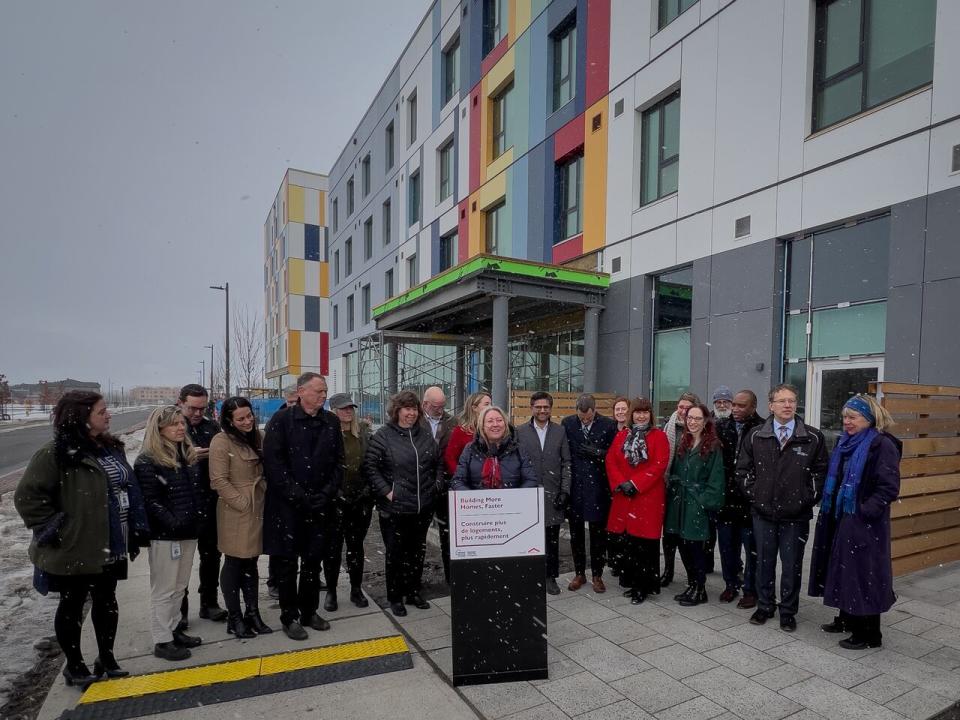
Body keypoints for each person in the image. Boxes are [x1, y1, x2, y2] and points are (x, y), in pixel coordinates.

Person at [15, 391, 149, 688]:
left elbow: (126, 486)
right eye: (102, 411)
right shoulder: (54, 454)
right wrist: (60, 528)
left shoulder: (109, 448)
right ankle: (74, 666)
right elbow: (28, 498)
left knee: (107, 601)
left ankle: (107, 658)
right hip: (74, 547)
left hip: (111, 541)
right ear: (81, 416)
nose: (108, 415)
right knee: (72, 605)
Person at [809, 395, 900, 649]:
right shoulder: (845, 442)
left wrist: (863, 511)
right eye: (844, 417)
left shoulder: (881, 445)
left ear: (868, 419)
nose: (846, 422)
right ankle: (846, 618)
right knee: (842, 569)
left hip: (865, 523)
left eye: (852, 417)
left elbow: (888, 487)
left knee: (864, 574)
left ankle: (869, 634)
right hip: (840, 517)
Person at [737, 383, 828, 632]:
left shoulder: (812, 437)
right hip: (763, 514)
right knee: (763, 563)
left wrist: (806, 498)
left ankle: (788, 611)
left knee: (791, 566)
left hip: (796, 516)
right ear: (771, 405)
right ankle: (765, 606)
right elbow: (743, 471)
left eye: (791, 401)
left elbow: (821, 473)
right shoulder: (756, 435)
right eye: (782, 401)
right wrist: (756, 496)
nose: (787, 405)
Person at [263, 372, 344, 641]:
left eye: (325, 391)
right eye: (319, 391)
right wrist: (299, 496)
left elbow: (338, 463)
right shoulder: (281, 421)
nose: (323, 396)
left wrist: (325, 493)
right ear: (301, 392)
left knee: (313, 562)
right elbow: (274, 465)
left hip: (321, 506)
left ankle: (309, 611)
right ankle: (290, 616)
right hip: (288, 508)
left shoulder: (330, 422)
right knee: (287, 564)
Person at [364, 390, 442, 617]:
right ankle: (395, 596)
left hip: (422, 506)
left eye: (414, 409)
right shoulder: (384, 436)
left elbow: (437, 463)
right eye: (407, 408)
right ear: (397, 410)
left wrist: (436, 485)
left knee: (417, 552)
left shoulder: (424, 435)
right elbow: (371, 467)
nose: (411, 413)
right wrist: (387, 492)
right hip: (395, 508)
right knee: (395, 554)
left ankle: (413, 591)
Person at [136, 406, 204, 661]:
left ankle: (174, 629)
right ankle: (162, 639)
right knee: (164, 589)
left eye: (181, 423)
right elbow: (150, 501)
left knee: (179, 586)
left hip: (188, 531)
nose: (180, 428)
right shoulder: (148, 460)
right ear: (159, 429)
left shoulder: (185, 455)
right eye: (173, 424)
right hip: (166, 536)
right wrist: (173, 523)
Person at [209, 396, 270, 640]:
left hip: (258, 505)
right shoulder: (221, 441)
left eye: (249, 416)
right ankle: (235, 617)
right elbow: (219, 480)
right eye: (241, 418)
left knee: (251, 562)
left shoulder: (258, 437)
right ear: (229, 421)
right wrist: (242, 503)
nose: (247, 421)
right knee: (234, 562)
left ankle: (252, 612)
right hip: (237, 510)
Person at [605, 398, 669, 605]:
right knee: (629, 543)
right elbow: (611, 460)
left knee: (645, 545)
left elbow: (660, 465)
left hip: (647, 497)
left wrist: (635, 483)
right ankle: (631, 582)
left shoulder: (659, 436)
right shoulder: (623, 435)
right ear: (631, 414)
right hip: (626, 496)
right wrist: (622, 483)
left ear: (650, 414)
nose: (641, 416)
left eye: (645, 412)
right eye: (638, 412)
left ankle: (644, 586)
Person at [664, 404, 725, 606]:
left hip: (696, 503)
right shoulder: (685, 441)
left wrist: (703, 502)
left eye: (697, 418)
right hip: (679, 501)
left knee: (696, 547)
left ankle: (700, 588)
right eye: (690, 418)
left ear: (706, 421)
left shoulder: (713, 445)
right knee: (682, 544)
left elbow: (717, 480)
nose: (692, 422)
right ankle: (691, 584)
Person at [176, 384, 226, 627]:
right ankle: (180, 611)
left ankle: (209, 602)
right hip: (181, 506)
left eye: (202, 408)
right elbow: (153, 463)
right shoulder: (170, 427)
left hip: (209, 503)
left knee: (211, 558)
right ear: (180, 403)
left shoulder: (211, 427)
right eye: (192, 408)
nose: (197, 413)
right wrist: (186, 457)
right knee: (181, 564)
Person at [516, 391, 572, 595]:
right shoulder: (520, 431)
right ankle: (531, 576)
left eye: (545, 407)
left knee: (552, 539)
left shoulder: (560, 431)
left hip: (553, 493)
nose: (542, 410)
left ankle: (550, 577)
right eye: (538, 407)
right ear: (532, 408)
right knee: (529, 538)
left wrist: (565, 491)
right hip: (528, 494)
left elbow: (566, 462)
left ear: (550, 409)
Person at [562, 394, 618, 593]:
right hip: (576, 486)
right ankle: (579, 573)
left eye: (588, 417)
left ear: (594, 411)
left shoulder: (608, 425)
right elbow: (564, 452)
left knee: (598, 533)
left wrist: (598, 453)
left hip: (599, 487)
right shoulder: (568, 423)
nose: (584, 421)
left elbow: (615, 454)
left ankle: (597, 575)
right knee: (576, 533)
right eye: (581, 417)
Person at [715, 390, 765, 608]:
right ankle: (730, 584)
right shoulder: (721, 427)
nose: (735, 408)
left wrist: (753, 491)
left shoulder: (762, 429)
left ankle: (750, 589)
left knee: (752, 548)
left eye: (741, 405)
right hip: (726, 499)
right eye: (733, 404)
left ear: (753, 407)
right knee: (727, 546)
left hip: (749, 500)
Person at [326, 393, 374, 609]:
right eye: (343, 408)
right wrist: (335, 494)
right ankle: (331, 592)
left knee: (356, 547)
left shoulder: (362, 434)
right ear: (334, 410)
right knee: (333, 549)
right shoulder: (327, 434)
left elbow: (370, 464)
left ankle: (356, 589)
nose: (348, 411)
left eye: (350, 408)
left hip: (359, 500)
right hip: (335, 501)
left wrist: (365, 493)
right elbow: (322, 468)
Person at [659, 392, 700, 587]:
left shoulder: (699, 429)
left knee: (687, 536)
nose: (683, 411)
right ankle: (668, 571)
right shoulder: (668, 426)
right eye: (680, 407)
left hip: (689, 489)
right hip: (670, 486)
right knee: (669, 533)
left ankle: (695, 578)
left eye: (687, 408)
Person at [450, 406, 539, 490]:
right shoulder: (470, 449)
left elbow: (530, 480)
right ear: (482, 426)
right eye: (490, 421)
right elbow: (458, 481)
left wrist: (514, 497)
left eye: (499, 420)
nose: (495, 424)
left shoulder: (518, 449)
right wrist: (474, 500)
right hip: (479, 504)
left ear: (505, 424)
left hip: (512, 503)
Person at [265, 385, 300, 601]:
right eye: (292, 402)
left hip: (302, 492)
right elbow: (273, 460)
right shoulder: (278, 421)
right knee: (281, 544)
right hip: (283, 492)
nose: (294, 406)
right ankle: (274, 581)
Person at [421, 386, 456, 584]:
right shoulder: (415, 420)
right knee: (418, 537)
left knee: (447, 534)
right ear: (425, 404)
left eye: (443, 406)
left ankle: (451, 577)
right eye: (436, 406)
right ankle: (414, 582)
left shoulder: (452, 422)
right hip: (422, 486)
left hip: (444, 485)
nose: (440, 410)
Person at [444, 391, 492, 479]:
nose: (490, 407)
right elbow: (450, 457)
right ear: (474, 407)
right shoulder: (461, 431)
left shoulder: (493, 429)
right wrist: (460, 476)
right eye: (486, 404)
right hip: (468, 481)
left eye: (491, 404)